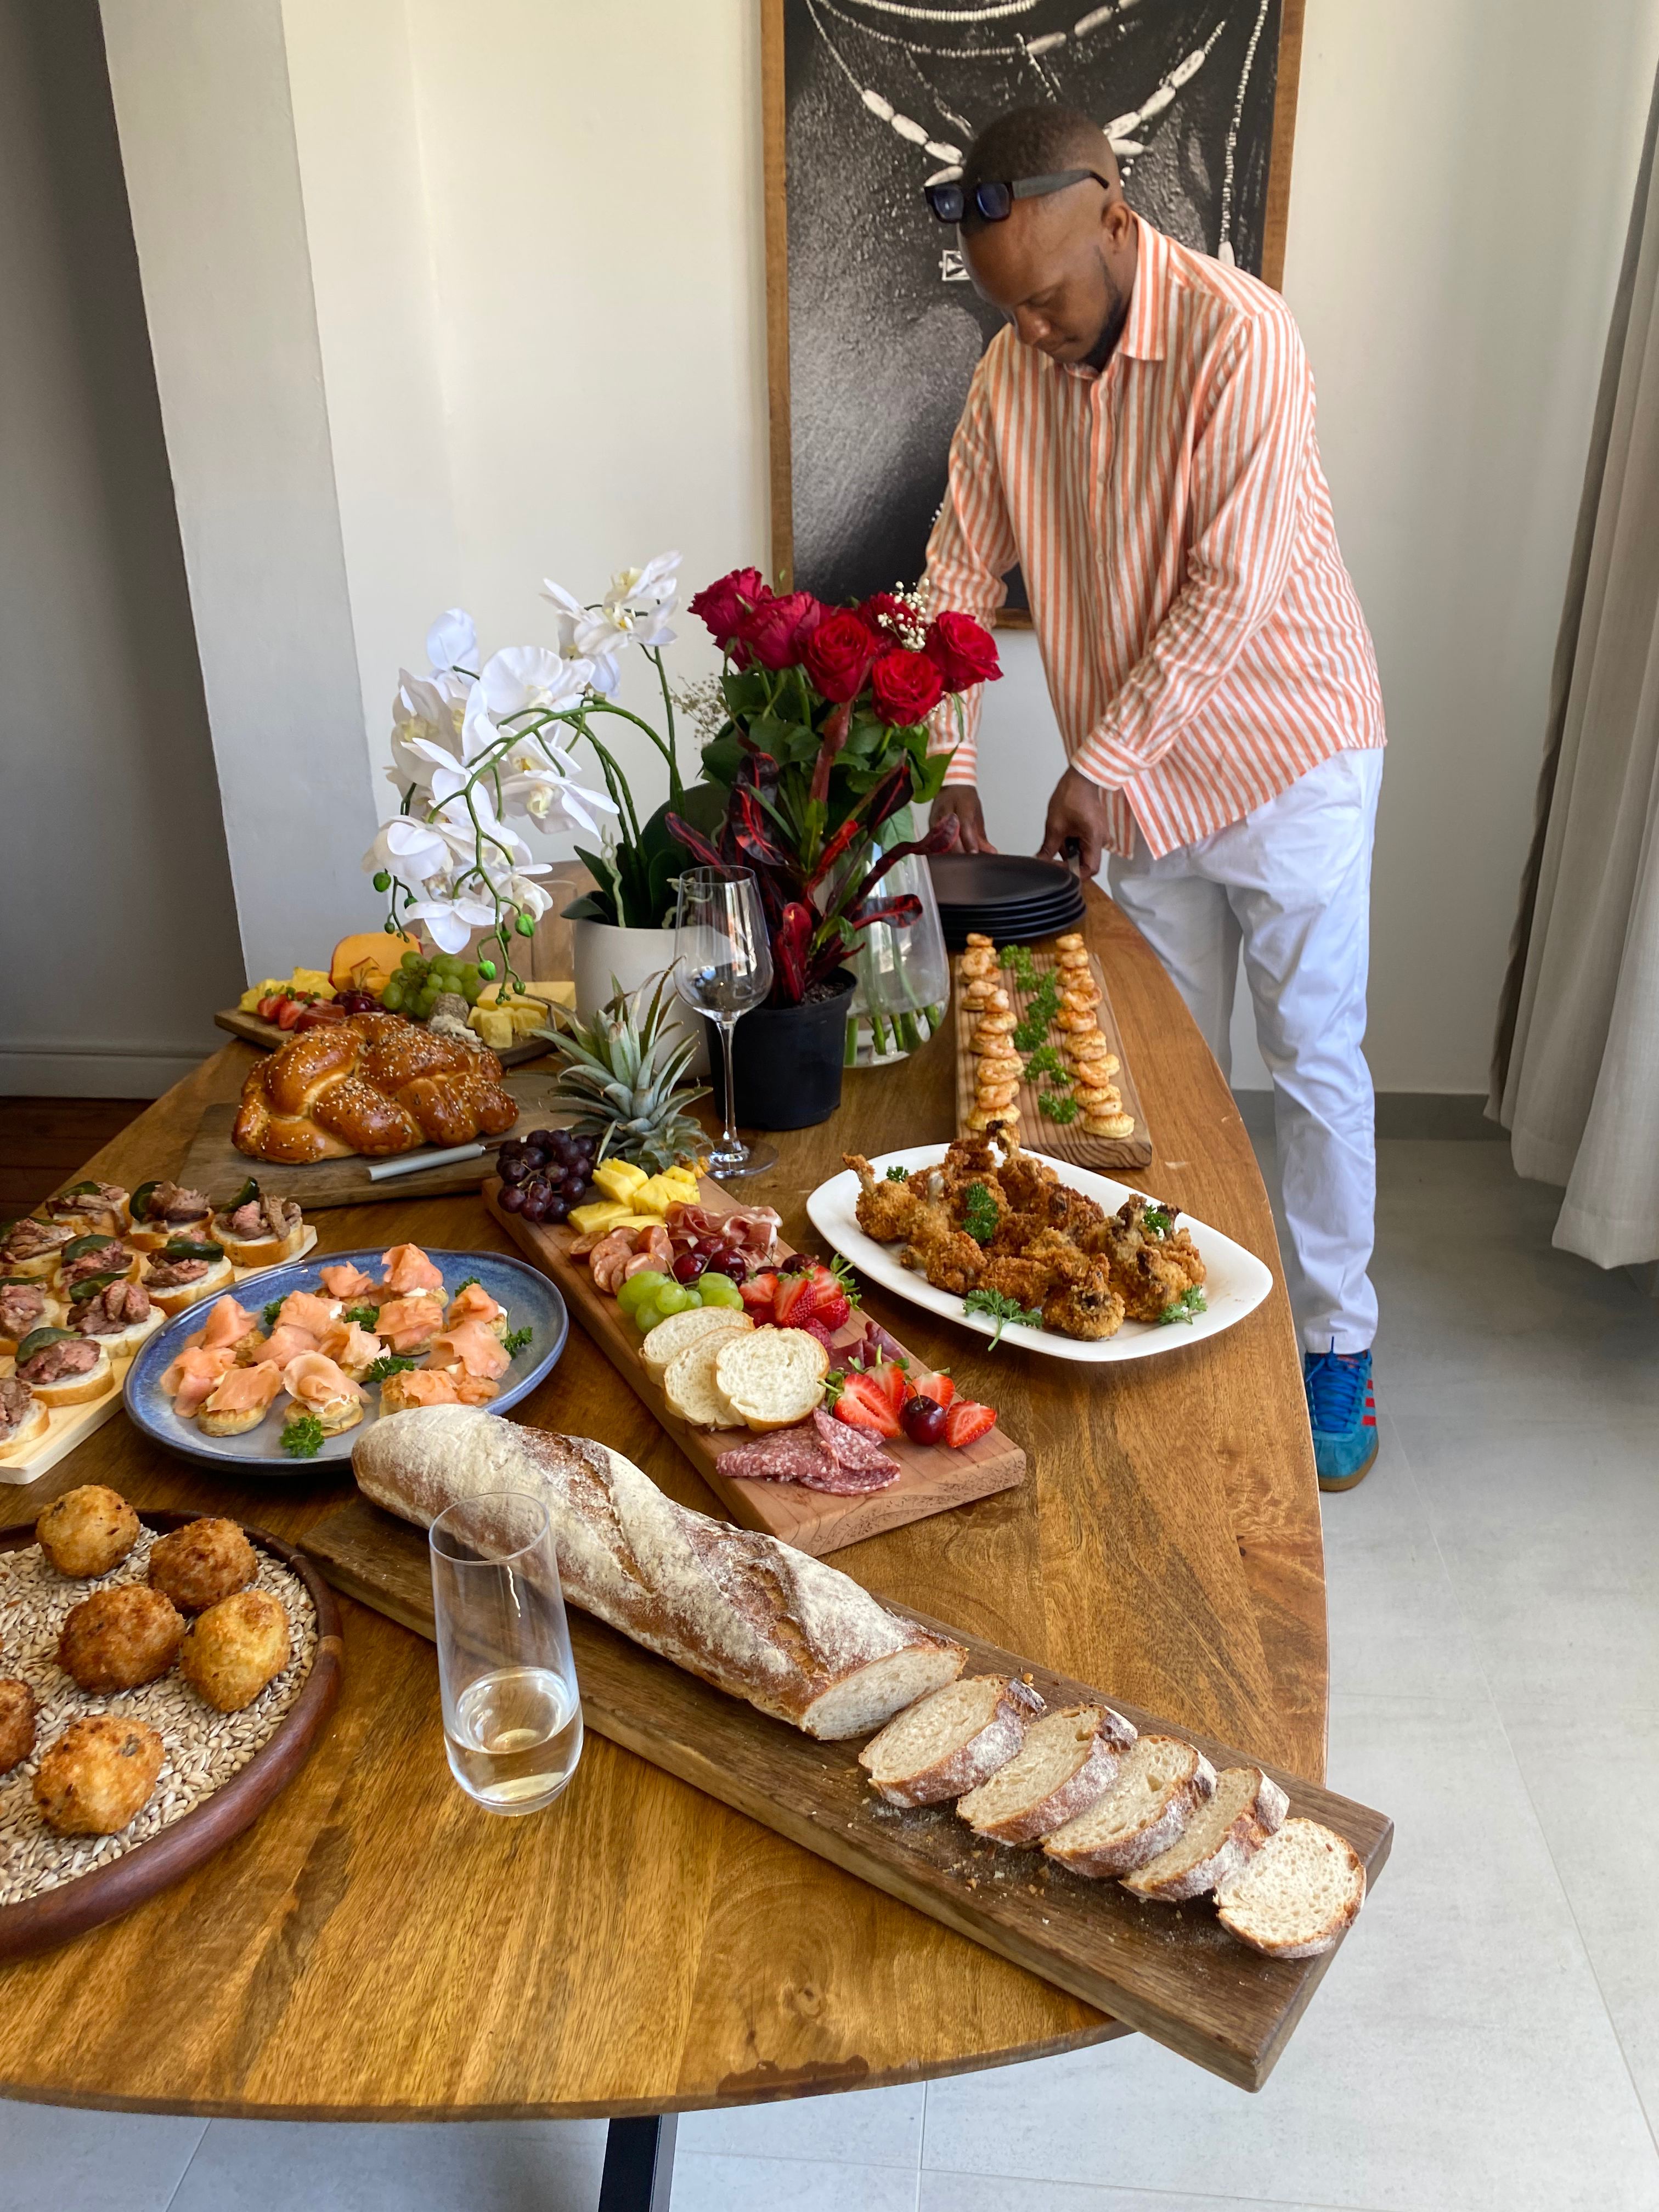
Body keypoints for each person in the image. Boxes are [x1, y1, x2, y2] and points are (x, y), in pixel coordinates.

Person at [922, 103, 1385, 1491]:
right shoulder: (1010, 374)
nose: (1038, 332)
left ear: (1115, 215)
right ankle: (1171, 1316)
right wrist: (947, 764)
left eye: (1052, 298)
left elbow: (1234, 585)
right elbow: (952, 577)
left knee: (1309, 1067)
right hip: (1138, 791)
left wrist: (1098, 763)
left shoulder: (1248, 339)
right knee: (1148, 1087)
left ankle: (1336, 1343)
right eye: (1010, 309)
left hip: (1289, 756)